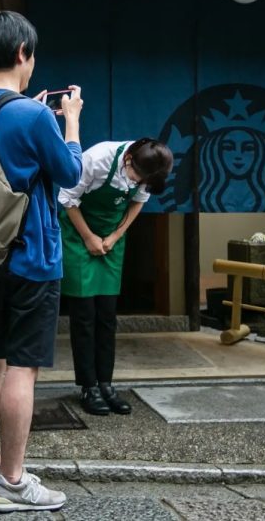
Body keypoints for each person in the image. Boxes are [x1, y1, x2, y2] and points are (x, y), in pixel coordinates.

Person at [0, 11, 82, 514]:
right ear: (22, 53)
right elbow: (70, 171)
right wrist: (68, 119)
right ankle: (12, 480)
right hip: (33, 252)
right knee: (23, 369)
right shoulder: (34, 115)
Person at [58, 139, 173, 416]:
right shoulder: (96, 159)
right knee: (84, 316)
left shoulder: (151, 167)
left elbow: (137, 202)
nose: (137, 182)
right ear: (128, 159)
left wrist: (114, 236)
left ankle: (106, 384)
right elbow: (67, 199)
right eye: (136, 176)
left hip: (111, 238)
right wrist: (88, 238)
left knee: (107, 316)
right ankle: (88, 387)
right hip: (79, 236)